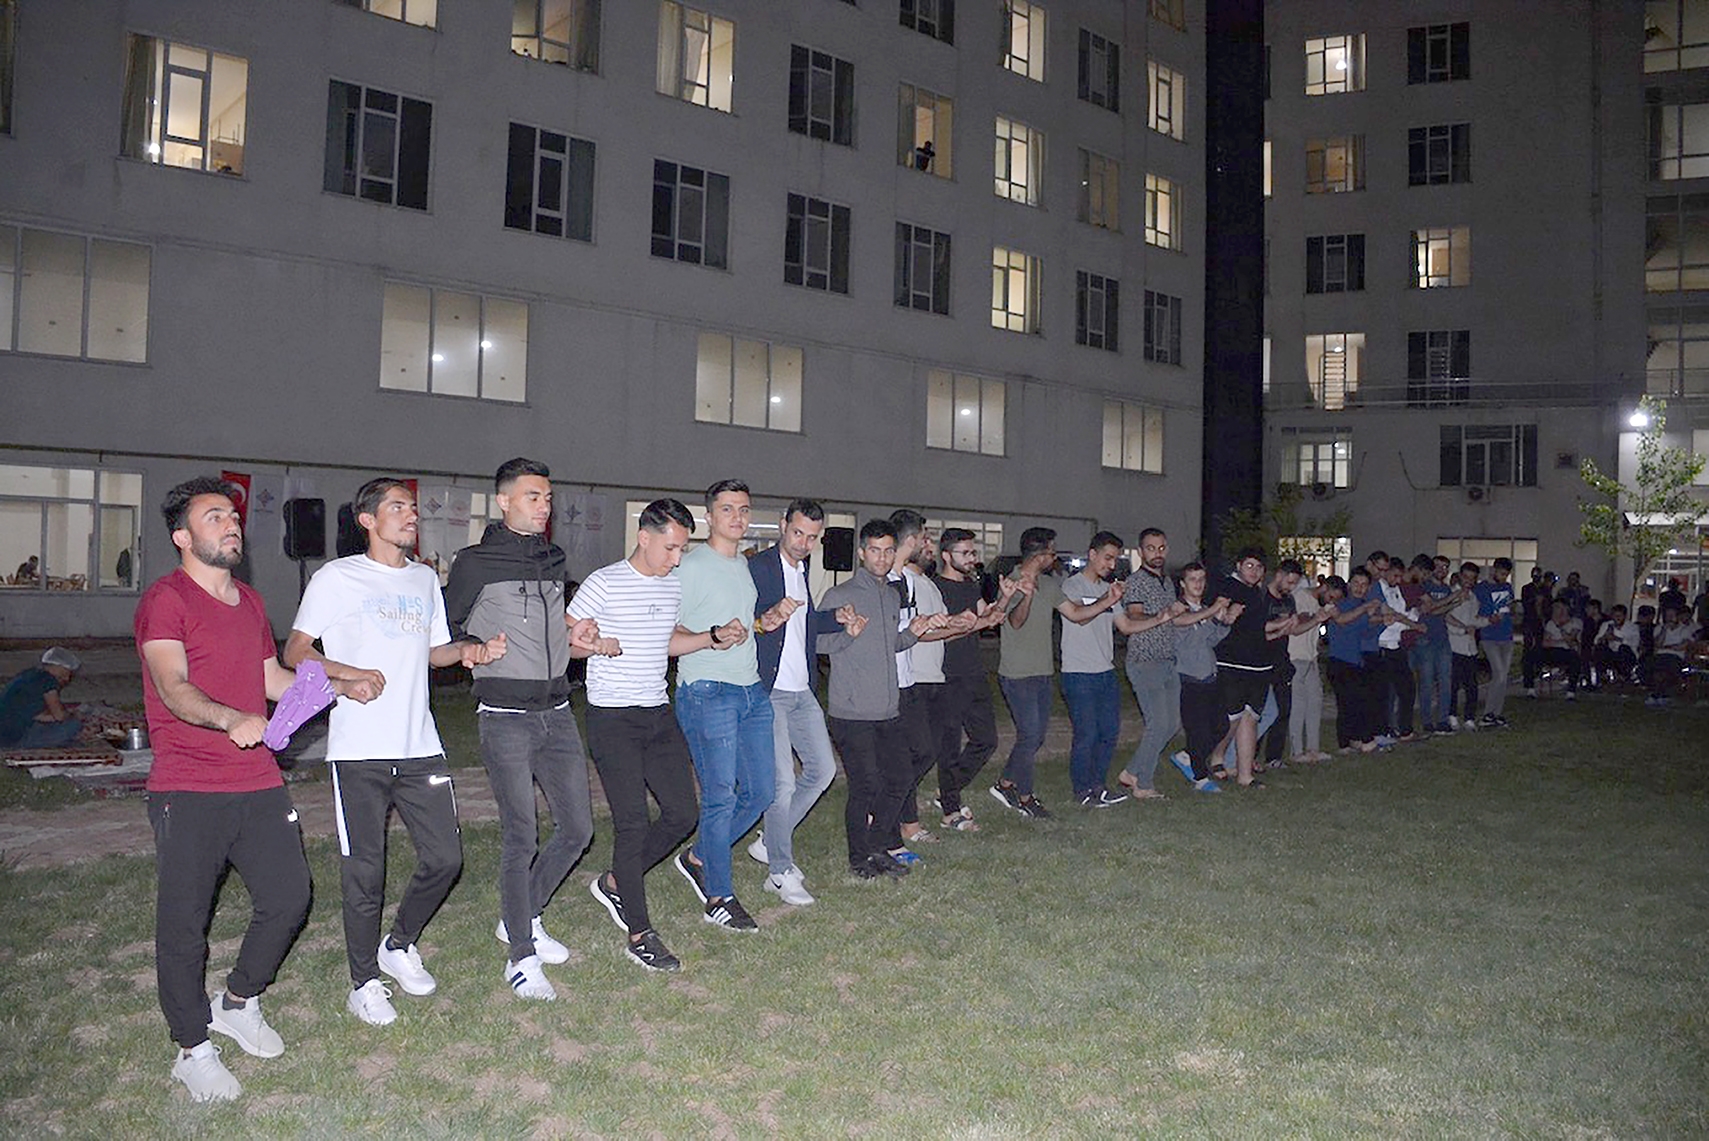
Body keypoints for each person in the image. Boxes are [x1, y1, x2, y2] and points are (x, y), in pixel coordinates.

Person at [136, 476, 372, 1102]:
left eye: (233, 516)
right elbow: (172, 685)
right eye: (214, 516)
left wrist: (337, 688)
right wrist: (227, 718)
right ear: (182, 536)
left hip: (258, 779)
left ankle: (238, 1001)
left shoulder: (249, 601)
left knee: (290, 897)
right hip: (188, 784)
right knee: (185, 923)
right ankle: (192, 1048)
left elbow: (271, 678)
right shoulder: (166, 600)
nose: (231, 524)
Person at [285, 478, 506, 1024]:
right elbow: (295, 652)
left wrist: (471, 650)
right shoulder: (337, 577)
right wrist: (349, 672)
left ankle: (398, 944)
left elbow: (434, 651)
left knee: (445, 858)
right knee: (366, 872)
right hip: (359, 750)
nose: (411, 516)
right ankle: (363, 982)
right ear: (367, 519)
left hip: (419, 744)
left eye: (412, 507)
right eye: (397, 507)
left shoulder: (424, 578)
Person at [444, 458, 601, 999]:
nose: (544, 506)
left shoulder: (552, 559)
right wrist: (473, 649)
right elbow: (445, 631)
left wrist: (577, 636)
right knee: (521, 836)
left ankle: (522, 915)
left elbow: (548, 629)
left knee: (577, 830)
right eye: (533, 497)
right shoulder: (475, 563)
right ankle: (520, 957)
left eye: (548, 498)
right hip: (505, 717)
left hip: (557, 712)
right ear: (505, 501)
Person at [572, 499, 708, 970]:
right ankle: (640, 934)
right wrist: (591, 644)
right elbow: (567, 640)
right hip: (613, 717)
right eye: (670, 547)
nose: (676, 558)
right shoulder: (603, 582)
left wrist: (709, 638)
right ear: (644, 537)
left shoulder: (671, 585)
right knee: (631, 823)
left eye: (682, 549)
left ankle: (615, 881)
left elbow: (665, 640)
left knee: (683, 813)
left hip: (657, 713)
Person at [670, 479, 782, 932]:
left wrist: (761, 623)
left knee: (761, 791)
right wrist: (712, 638)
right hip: (707, 691)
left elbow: (737, 623)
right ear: (709, 516)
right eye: (728, 509)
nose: (737, 517)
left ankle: (700, 855)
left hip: (751, 691)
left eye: (744, 510)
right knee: (720, 796)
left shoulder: (744, 566)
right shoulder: (690, 566)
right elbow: (667, 635)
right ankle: (718, 896)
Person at [817, 519, 944, 877]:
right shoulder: (840, 596)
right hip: (852, 711)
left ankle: (876, 847)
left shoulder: (890, 595)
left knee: (900, 779)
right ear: (861, 553)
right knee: (866, 786)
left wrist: (914, 632)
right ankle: (860, 859)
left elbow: (890, 644)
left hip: (888, 709)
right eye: (875, 550)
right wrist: (848, 633)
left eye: (888, 551)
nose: (882, 557)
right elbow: (819, 643)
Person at [746, 498, 848, 904]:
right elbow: (745, 620)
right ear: (782, 525)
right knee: (783, 783)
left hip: (802, 690)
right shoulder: (758, 568)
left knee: (823, 771)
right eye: (798, 533)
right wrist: (765, 618)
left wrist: (836, 618)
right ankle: (779, 871)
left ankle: (771, 841)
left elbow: (804, 624)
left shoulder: (803, 570)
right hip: (770, 690)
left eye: (812, 537)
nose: (803, 543)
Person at [1058, 532, 1152, 805]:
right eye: (1107, 558)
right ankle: (1082, 791)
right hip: (1078, 673)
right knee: (1086, 734)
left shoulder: (1109, 591)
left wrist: (1162, 618)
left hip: (1105, 671)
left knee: (1109, 732)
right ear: (1092, 554)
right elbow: (1079, 617)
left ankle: (1098, 786)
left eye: (1115, 559)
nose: (1111, 565)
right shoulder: (1072, 586)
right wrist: (1108, 600)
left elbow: (1126, 626)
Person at [930, 529, 1013, 830]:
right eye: (965, 553)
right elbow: (940, 633)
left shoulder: (969, 585)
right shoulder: (935, 588)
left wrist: (1004, 598)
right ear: (946, 555)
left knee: (986, 740)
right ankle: (951, 810)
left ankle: (947, 791)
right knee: (948, 745)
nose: (972, 559)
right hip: (947, 674)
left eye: (973, 552)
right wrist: (980, 622)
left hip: (973, 673)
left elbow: (987, 617)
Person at [991, 527, 1063, 817]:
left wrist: (1107, 601)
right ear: (1040, 555)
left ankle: (1005, 783)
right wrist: (1027, 596)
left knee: (1036, 736)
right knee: (1029, 735)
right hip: (1017, 673)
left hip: (1042, 671)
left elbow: (1074, 613)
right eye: (1052, 552)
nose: (1054, 557)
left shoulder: (1049, 584)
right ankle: (1025, 797)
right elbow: (1015, 622)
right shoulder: (1011, 582)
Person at [1119, 528, 1190, 796]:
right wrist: (1163, 615)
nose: (1157, 553)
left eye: (1161, 548)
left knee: (1171, 724)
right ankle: (1143, 784)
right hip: (1145, 661)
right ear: (1140, 552)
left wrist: (1210, 613)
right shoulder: (1136, 581)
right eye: (1150, 548)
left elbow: (1174, 619)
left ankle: (1131, 772)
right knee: (1158, 724)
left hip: (1168, 661)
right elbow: (1134, 615)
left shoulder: (1167, 581)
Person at [1167, 562, 1238, 791]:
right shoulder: (1178, 610)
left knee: (1221, 726)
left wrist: (1225, 622)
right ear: (1182, 583)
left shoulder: (1205, 609)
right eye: (1192, 579)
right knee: (1198, 731)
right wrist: (1213, 615)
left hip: (1209, 675)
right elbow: (1190, 640)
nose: (1198, 584)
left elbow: (1210, 641)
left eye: (1201, 579)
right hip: (1189, 678)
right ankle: (1200, 777)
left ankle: (1188, 756)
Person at [1325, 571, 1384, 752]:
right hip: (1339, 660)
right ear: (1349, 584)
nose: (1360, 588)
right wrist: (1366, 609)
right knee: (1354, 701)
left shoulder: (1361, 606)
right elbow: (1344, 622)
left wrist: (1382, 623)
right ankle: (1365, 741)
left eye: (1364, 584)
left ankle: (1351, 740)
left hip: (1355, 660)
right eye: (1356, 583)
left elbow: (1364, 633)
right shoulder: (1341, 604)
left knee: (1352, 703)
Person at [1408, 555, 1458, 735]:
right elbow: (1430, 609)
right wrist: (1453, 598)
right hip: (1425, 639)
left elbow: (1443, 613)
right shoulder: (1423, 586)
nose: (1442, 570)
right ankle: (1427, 721)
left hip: (1442, 638)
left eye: (1445, 567)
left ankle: (1443, 720)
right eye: (1438, 566)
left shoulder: (1446, 588)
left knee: (1445, 680)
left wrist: (1456, 604)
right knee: (1427, 681)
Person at [0, 646, 84, 749]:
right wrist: (73, 715)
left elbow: (37, 715)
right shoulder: (48, 680)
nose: (67, 678)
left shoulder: (30, 674)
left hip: (4, 736)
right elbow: (59, 716)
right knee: (74, 725)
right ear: (58, 666)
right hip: (15, 739)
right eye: (66, 671)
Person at [1285, 576, 1329, 763]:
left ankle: (1313, 748)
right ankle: (1296, 751)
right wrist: (1316, 617)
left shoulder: (1318, 604)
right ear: (1324, 588)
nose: (1332, 600)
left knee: (1315, 702)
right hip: (1296, 657)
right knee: (1298, 705)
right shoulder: (1300, 596)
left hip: (1311, 657)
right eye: (1331, 596)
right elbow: (1298, 624)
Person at [1443, 562, 1487, 731]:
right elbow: (1446, 618)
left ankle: (1469, 717)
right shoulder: (1451, 594)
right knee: (1453, 684)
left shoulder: (1474, 598)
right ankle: (1452, 715)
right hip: (1454, 646)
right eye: (1466, 577)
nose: (1469, 581)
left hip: (1470, 647)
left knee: (1471, 685)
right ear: (1460, 576)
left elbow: (1473, 620)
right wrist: (1463, 630)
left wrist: (1488, 621)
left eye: (1472, 578)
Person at [1474, 557, 1517, 726]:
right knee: (1498, 672)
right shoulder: (1481, 588)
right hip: (1489, 636)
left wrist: (1511, 610)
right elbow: (1474, 609)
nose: (1503, 577)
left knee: (1503, 676)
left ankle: (1496, 713)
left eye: (1506, 575)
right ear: (1494, 570)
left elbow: (1510, 607)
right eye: (1501, 573)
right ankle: (1488, 714)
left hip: (1506, 635)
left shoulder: (1507, 587)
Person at [1537, 600, 1583, 698]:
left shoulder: (1576, 622)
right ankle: (1530, 688)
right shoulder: (1550, 623)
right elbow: (1545, 643)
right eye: (1555, 608)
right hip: (1553, 651)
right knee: (1534, 653)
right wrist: (1561, 641)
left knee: (1574, 658)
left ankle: (1571, 692)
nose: (1556, 610)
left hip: (1568, 652)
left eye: (1558, 607)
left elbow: (1570, 641)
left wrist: (1559, 627)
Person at [1595, 604, 1640, 683]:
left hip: (1627, 655)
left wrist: (1616, 638)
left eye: (1620, 616)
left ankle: (1623, 675)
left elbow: (1635, 643)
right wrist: (1604, 637)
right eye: (1615, 616)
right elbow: (1596, 641)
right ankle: (1603, 675)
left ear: (1625, 616)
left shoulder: (1632, 627)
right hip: (1611, 654)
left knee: (1623, 648)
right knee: (1600, 648)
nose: (1618, 618)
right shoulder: (1606, 625)